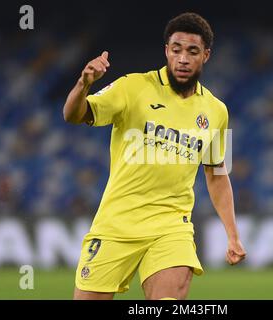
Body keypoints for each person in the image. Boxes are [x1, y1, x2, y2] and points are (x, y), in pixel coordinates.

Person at [63, 12, 246, 300]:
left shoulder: (217, 111)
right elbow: (73, 115)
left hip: (171, 225)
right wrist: (84, 83)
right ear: (166, 51)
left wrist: (232, 234)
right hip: (117, 222)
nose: (183, 58)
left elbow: (217, 173)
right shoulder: (132, 86)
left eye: (192, 51)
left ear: (206, 55)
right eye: (176, 50)